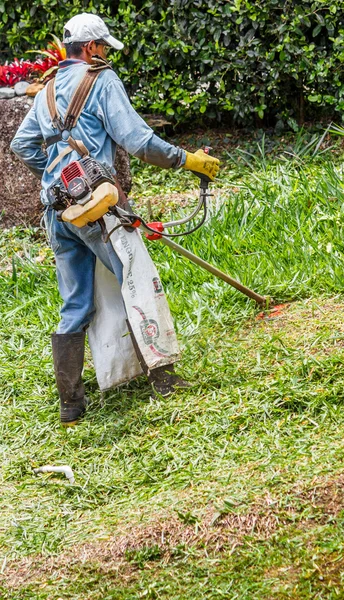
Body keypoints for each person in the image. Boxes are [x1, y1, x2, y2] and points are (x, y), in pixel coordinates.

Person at [11, 12, 220, 426]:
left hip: (59, 210)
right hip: (98, 208)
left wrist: (57, 177)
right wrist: (188, 160)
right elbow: (138, 140)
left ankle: (71, 404)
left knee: (75, 303)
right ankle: (162, 377)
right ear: (90, 48)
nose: (105, 53)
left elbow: (22, 144)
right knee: (136, 280)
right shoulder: (101, 79)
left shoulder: (47, 89)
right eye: (103, 47)